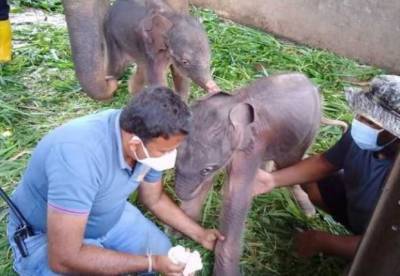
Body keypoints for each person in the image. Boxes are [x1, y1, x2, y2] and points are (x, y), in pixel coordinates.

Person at [7, 86, 224, 275]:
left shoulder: (145, 137)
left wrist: (200, 234)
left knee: (164, 250)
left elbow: (154, 198)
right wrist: (151, 263)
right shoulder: (77, 158)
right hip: (45, 236)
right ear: (134, 144)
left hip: (109, 215)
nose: (170, 157)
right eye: (165, 151)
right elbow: (63, 258)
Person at [253, 75, 400, 260]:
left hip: (384, 242)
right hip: (359, 214)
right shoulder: (361, 139)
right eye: (361, 116)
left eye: (372, 122)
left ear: (395, 134)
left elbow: (385, 248)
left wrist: (321, 240)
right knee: (318, 186)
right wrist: (272, 180)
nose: (361, 124)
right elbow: (324, 163)